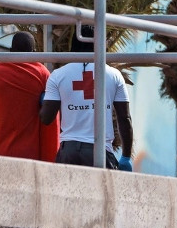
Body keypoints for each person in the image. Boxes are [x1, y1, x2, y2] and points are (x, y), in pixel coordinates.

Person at [40, 26, 132, 170]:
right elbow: (124, 118)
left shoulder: (58, 75)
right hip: (100, 153)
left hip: (68, 153)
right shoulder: (114, 75)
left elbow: (46, 119)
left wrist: (43, 101)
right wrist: (126, 157)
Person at [0, 31, 59, 162]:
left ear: (10, 51)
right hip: (31, 155)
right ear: (34, 52)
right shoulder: (43, 74)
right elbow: (50, 120)